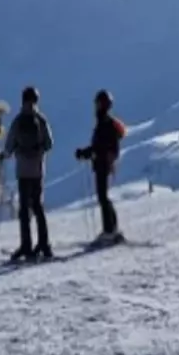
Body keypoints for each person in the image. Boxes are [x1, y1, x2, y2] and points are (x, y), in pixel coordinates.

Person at [2, 85, 53, 261]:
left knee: (24, 210)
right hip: (38, 170)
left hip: (23, 171)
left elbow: (9, 146)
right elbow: (49, 144)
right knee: (38, 207)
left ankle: (26, 246)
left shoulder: (18, 120)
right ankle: (44, 245)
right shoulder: (41, 119)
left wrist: (8, 154)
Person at [75, 89, 127, 244]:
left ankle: (109, 230)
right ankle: (112, 228)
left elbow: (100, 146)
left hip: (103, 163)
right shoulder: (105, 122)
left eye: (97, 103)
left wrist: (86, 153)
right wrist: (88, 153)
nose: (95, 106)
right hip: (104, 162)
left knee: (103, 196)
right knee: (103, 196)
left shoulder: (105, 123)